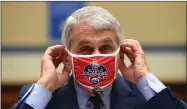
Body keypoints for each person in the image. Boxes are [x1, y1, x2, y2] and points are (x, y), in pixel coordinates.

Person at [11, 6, 186, 109]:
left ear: (120, 52)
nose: (96, 57)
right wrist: (46, 85)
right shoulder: (43, 100)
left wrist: (144, 78)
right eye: (86, 49)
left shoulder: (147, 97)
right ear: (67, 56)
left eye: (105, 47)